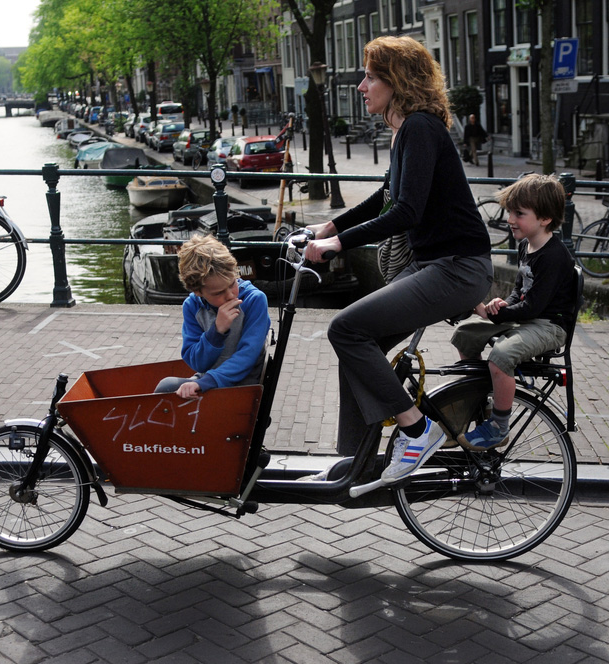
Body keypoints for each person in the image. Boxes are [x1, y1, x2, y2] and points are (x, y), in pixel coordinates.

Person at [303, 35, 493, 484]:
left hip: (456, 266)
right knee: (358, 345)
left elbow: (407, 211)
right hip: (435, 265)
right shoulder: (409, 130)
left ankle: (417, 428)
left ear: (396, 81)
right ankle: (360, 460)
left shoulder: (421, 128)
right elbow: (384, 197)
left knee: (345, 328)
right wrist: (329, 228)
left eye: (370, 76)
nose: (361, 85)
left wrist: (340, 245)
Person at [451, 174, 577, 448]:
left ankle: (499, 426)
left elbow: (535, 306)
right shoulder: (525, 245)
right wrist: (504, 303)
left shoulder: (554, 255)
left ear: (544, 219)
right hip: (529, 318)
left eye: (519, 213)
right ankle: (479, 400)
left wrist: (493, 314)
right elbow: (520, 292)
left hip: (549, 326)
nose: (510, 219)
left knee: (501, 356)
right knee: (465, 336)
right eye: (510, 211)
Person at [154, 235, 270, 399]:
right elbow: (197, 363)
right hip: (208, 380)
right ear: (198, 292)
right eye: (219, 293)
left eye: (232, 284)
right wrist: (216, 332)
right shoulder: (192, 306)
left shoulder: (254, 300)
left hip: (242, 385)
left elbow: (247, 356)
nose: (230, 295)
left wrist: (204, 382)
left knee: (168, 390)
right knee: (166, 387)